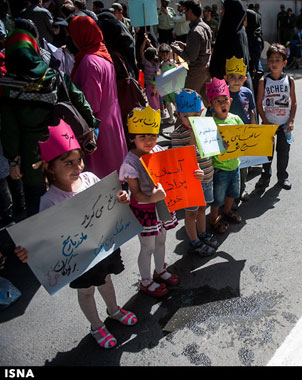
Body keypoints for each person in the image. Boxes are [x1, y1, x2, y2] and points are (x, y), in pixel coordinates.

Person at [15, 121, 137, 349]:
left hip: (101, 248)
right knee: (86, 291)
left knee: (107, 280)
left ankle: (114, 310)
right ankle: (96, 326)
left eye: (79, 160)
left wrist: (122, 197)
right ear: (50, 167)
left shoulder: (90, 179)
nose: (77, 166)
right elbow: (44, 237)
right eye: (68, 163)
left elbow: (111, 202)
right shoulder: (49, 200)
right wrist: (28, 251)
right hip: (77, 258)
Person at [0, 27, 98, 216]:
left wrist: (13, 161)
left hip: (33, 157)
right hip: (64, 147)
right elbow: (81, 102)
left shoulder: (6, 87)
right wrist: (92, 126)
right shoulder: (55, 76)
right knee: (70, 197)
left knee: (39, 207)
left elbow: (9, 129)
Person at [119, 107, 181, 297]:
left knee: (161, 240)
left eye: (153, 136)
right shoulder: (130, 163)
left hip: (160, 206)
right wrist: (151, 198)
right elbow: (135, 193)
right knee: (148, 247)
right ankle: (146, 281)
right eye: (143, 137)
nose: (149, 141)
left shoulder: (158, 149)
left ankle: (160, 270)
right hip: (145, 210)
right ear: (132, 138)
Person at [69, 15, 128, 179]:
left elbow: (91, 103)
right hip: (111, 122)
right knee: (115, 176)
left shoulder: (89, 62)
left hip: (97, 127)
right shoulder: (103, 56)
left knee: (102, 179)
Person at [172, 89, 217, 256]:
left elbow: (213, 150)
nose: (190, 120)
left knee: (202, 208)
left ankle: (203, 233)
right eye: (185, 116)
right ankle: (194, 240)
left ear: (201, 112)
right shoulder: (177, 134)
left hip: (206, 176)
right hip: (190, 182)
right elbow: (182, 159)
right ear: (178, 114)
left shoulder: (207, 126)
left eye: (195, 116)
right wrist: (192, 136)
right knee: (190, 213)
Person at [256, 43, 297, 191]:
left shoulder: (289, 80)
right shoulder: (264, 81)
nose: (274, 63)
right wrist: (265, 122)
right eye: (271, 60)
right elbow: (259, 103)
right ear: (267, 62)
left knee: (284, 152)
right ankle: (265, 176)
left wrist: (291, 120)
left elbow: (294, 102)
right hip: (268, 125)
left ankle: (282, 176)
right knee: (266, 154)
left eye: (278, 60)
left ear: (284, 63)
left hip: (284, 125)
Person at [206, 77, 244, 234]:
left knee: (233, 193)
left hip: (235, 164)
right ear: (211, 105)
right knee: (218, 197)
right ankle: (213, 219)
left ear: (231, 100)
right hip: (219, 167)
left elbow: (244, 135)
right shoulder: (209, 123)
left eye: (225, 99)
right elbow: (206, 145)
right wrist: (221, 146)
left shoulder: (235, 119)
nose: (222, 103)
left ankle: (227, 212)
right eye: (217, 101)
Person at [226, 56, 256, 204]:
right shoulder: (223, 93)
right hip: (227, 135)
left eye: (239, 77)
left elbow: (251, 111)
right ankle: (229, 191)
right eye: (232, 77)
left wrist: (254, 128)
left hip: (244, 134)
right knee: (228, 165)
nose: (236, 80)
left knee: (243, 166)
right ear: (226, 78)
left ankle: (242, 188)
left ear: (244, 78)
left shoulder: (247, 92)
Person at [171, 0, 212, 105]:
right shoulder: (205, 26)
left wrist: (177, 51)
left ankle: (182, 121)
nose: (184, 13)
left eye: (185, 11)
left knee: (186, 101)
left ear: (190, 12)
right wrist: (184, 46)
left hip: (197, 71)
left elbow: (191, 57)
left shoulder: (195, 31)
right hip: (206, 69)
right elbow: (201, 48)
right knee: (208, 100)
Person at [209, 0, 250, 91]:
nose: (221, 12)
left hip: (229, 86)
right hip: (238, 84)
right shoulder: (239, 29)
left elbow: (223, 59)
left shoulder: (230, 32)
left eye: (223, 9)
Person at [139, 34, 161, 110]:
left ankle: (154, 115)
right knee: (157, 100)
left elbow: (141, 50)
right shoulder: (157, 62)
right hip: (157, 85)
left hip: (149, 85)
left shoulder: (146, 63)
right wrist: (150, 44)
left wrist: (145, 41)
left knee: (152, 101)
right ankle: (159, 113)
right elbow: (156, 52)